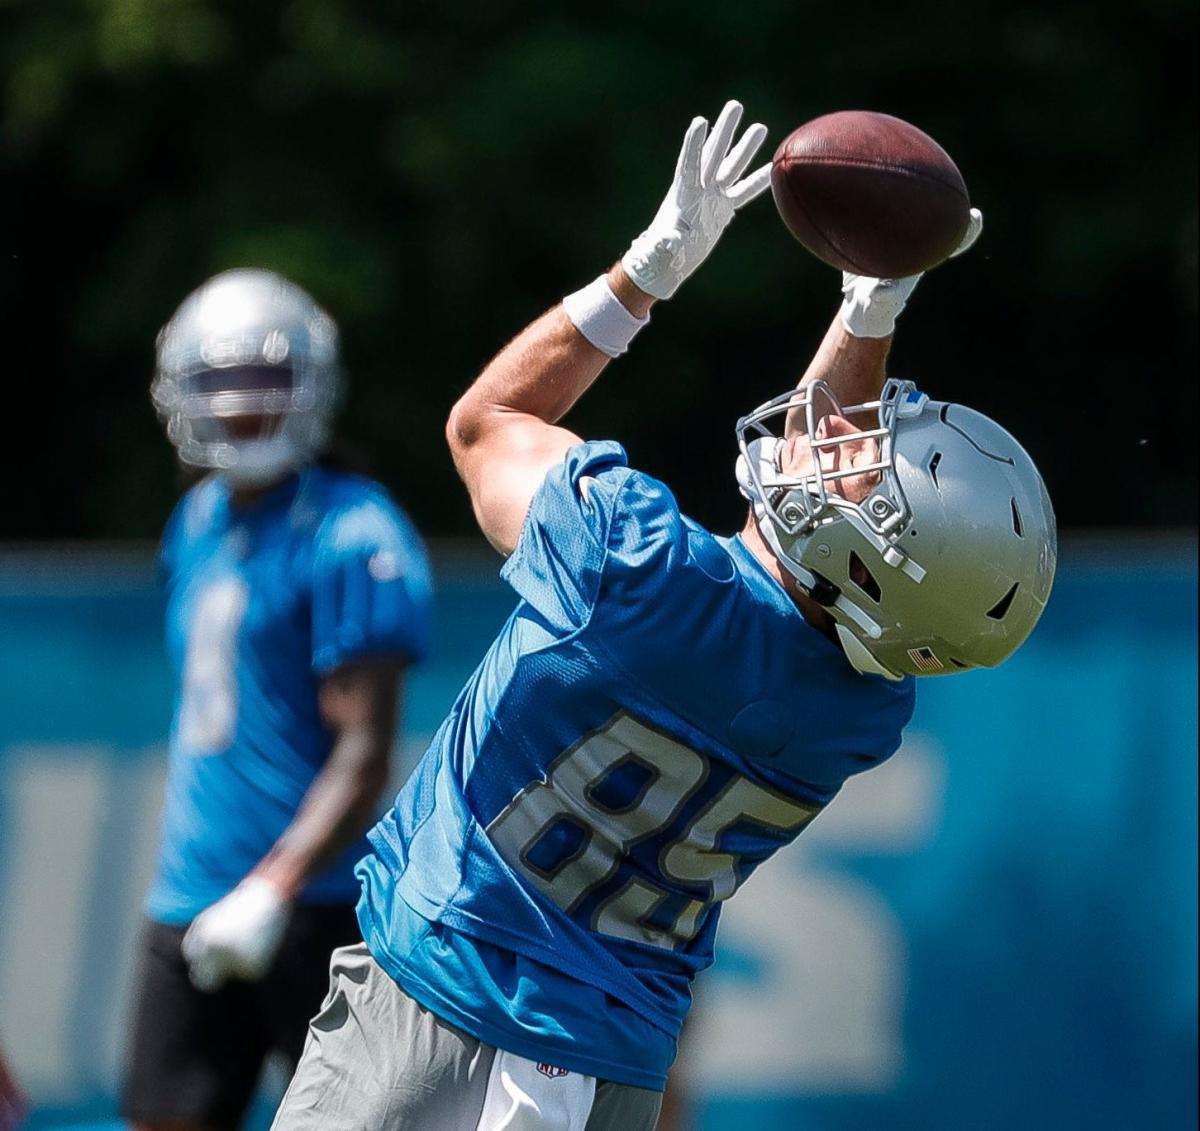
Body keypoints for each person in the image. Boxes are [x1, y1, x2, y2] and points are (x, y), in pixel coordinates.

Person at [273, 100, 1055, 1131]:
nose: (845, 444)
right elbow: (808, 579)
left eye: (868, 474)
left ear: (864, 551)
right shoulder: (861, 717)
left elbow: (486, 425)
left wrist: (644, 275)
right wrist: (870, 313)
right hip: (613, 1075)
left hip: (435, 1003)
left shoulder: (631, 563)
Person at [121, 268, 434, 1131]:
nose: (243, 405)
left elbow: (364, 752)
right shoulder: (196, 519)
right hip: (189, 891)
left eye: (266, 380)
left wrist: (273, 885)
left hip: (317, 902)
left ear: (309, 385)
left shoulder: (354, 531)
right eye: (221, 383)